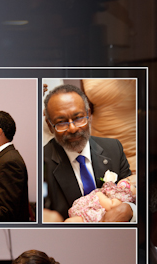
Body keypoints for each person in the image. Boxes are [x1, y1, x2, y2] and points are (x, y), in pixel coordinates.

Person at [42, 84, 134, 222]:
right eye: (61, 122)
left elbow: (131, 196)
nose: (73, 128)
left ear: (89, 114)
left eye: (79, 118)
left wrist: (128, 209)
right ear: (50, 126)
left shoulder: (113, 148)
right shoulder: (42, 164)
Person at [65, 175, 136, 222]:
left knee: (70, 222)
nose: (128, 182)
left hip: (94, 216)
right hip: (87, 209)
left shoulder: (124, 196)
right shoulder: (114, 188)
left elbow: (111, 205)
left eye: (135, 186)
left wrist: (100, 195)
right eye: (128, 179)